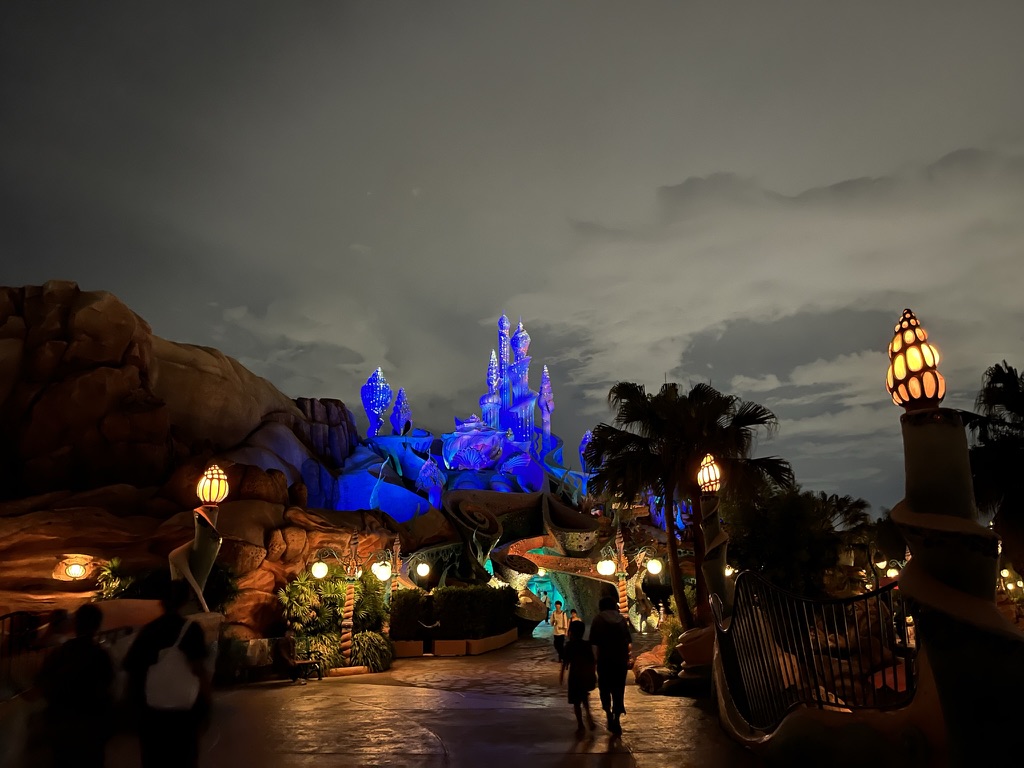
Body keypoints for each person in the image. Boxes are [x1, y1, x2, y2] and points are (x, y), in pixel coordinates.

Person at [123, 579, 211, 768]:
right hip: (182, 716)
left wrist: (130, 708)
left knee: (154, 760)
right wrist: (207, 704)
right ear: (186, 601)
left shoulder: (148, 631)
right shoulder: (190, 630)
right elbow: (198, 669)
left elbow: (133, 670)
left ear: (161, 601)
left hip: (151, 715)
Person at [37, 603, 114, 768]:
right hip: (91, 724)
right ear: (97, 625)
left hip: (63, 723)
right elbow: (108, 685)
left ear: (75, 624)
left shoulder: (60, 652)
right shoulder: (101, 655)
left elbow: (43, 681)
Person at [588, 595, 632, 735]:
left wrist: (594, 661)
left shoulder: (598, 619)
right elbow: (628, 642)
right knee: (619, 690)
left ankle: (608, 714)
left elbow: (593, 643)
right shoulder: (621, 620)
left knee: (605, 688)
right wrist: (628, 657)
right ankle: (617, 719)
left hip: (604, 661)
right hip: (620, 661)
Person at [559, 619, 596, 733]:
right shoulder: (586, 645)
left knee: (576, 702)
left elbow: (565, 662)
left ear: (571, 632)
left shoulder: (569, 645)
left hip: (574, 676)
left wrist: (561, 675)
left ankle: (580, 724)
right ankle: (589, 716)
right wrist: (592, 674)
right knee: (584, 699)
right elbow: (592, 661)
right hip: (584, 675)